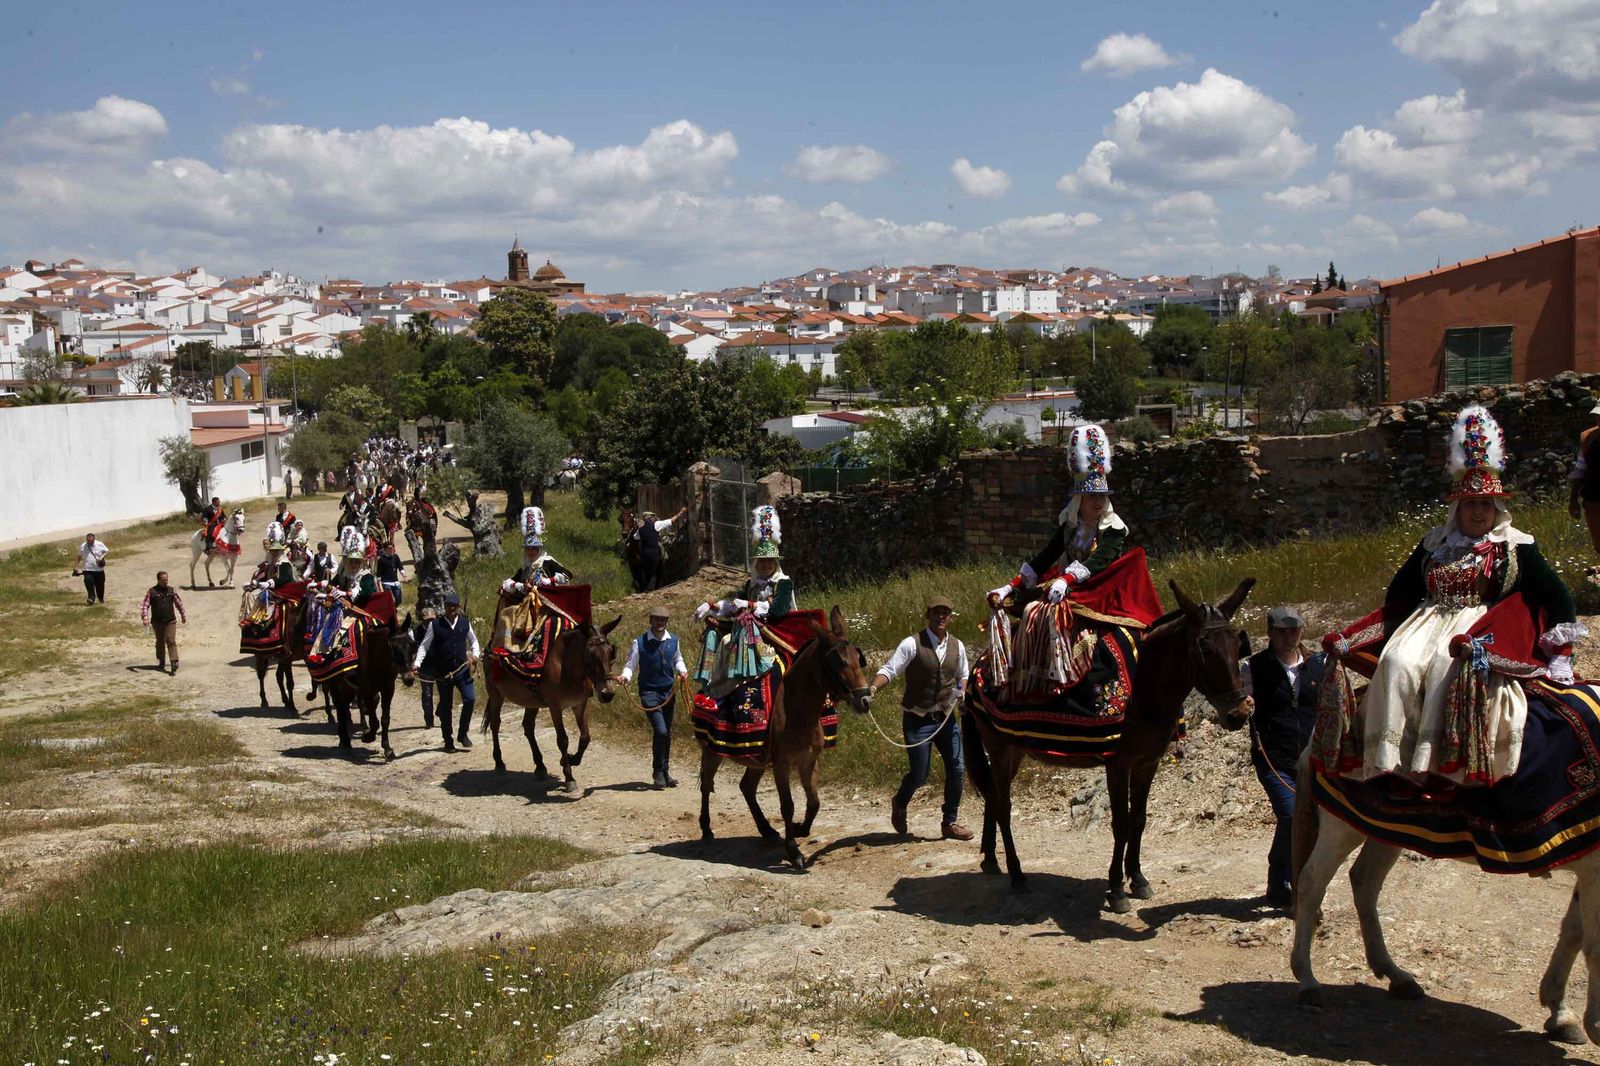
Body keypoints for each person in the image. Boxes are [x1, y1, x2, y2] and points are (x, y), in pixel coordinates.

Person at [1330, 405, 1579, 785]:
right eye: (1471, 504)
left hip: (1477, 625)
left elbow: (1556, 594)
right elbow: (1400, 592)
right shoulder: (1434, 544)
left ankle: (1441, 766)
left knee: (1445, 670)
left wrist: (1562, 650)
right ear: (1457, 508)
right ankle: (1391, 760)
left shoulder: (1515, 546)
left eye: (1485, 505)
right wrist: (1365, 634)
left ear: (1496, 508)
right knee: (1397, 663)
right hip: (1426, 620)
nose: (1478, 512)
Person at [986, 424, 1130, 698]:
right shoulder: (1070, 527)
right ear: (1079, 499)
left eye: (1102, 496)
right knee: (1031, 611)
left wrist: (1066, 579)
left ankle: (1065, 678)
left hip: (1102, 591)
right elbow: (1045, 557)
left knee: (1051, 615)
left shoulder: (1113, 528)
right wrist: (1010, 586)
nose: (1098, 503)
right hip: (1071, 589)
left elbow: (1101, 560)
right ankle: (1029, 682)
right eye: (1092, 496)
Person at [870, 597, 974, 841]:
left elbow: (963, 674)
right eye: (936, 612)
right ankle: (900, 802)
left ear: (950, 617)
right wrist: (872, 689)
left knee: (957, 767)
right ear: (928, 615)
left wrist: (960, 691)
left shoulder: (957, 646)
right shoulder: (911, 644)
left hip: (945, 718)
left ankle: (949, 822)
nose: (941, 617)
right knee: (919, 774)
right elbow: (890, 669)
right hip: (917, 719)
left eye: (945, 613)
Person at [1241, 606, 1324, 909]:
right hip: (1273, 758)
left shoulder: (1317, 664)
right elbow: (1241, 704)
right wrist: (1245, 705)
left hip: (1312, 758)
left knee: (1310, 821)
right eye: (1283, 631)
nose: (1290, 636)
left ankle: (1293, 883)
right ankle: (1283, 880)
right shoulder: (1252, 667)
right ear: (1270, 634)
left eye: (1295, 630)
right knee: (1290, 815)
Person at [694, 506, 796, 695]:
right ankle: (709, 683)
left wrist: (751, 605)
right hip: (749, 629)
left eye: (770, 561)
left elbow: (778, 610)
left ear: (775, 562)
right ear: (756, 563)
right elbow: (735, 605)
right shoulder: (752, 584)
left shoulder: (783, 583)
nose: (766, 565)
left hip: (773, 633)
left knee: (729, 640)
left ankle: (735, 682)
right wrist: (712, 606)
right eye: (762, 561)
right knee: (712, 633)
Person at [614, 605, 691, 788]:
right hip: (649, 692)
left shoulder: (673, 640)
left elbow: (678, 659)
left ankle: (665, 772)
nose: (660, 623)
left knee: (667, 733)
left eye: (663, 620)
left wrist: (682, 670)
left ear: (667, 622)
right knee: (661, 731)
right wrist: (625, 677)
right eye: (657, 619)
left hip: (668, 692)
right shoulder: (639, 642)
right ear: (650, 620)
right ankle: (657, 771)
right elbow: (631, 665)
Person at [410, 591, 481, 751]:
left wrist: (475, 654)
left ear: (458, 607)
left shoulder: (465, 623)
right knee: (446, 707)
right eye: (449, 605)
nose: (451, 609)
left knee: (470, 699)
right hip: (443, 673)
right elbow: (424, 646)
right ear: (445, 606)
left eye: (454, 606)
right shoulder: (435, 625)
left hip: (462, 670)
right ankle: (448, 740)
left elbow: (474, 641)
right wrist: (417, 664)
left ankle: (462, 733)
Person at [500, 506, 573, 598]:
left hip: (548, 598)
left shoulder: (547, 562)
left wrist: (551, 580)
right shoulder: (526, 567)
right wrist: (517, 585)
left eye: (533, 548)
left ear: (539, 549)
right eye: (527, 549)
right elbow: (511, 581)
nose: (530, 552)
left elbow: (568, 574)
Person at [139, 570, 187, 674]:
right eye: (164, 580)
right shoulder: (152, 592)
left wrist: (183, 614)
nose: (166, 582)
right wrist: (145, 617)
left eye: (167, 580)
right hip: (157, 621)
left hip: (170, 620)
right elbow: (145, 605)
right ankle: (161, 660)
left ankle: (174, 661)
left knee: (171, 640)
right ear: (158, 580)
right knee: (160, 641)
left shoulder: (171, 590)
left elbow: (179, 603)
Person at [1569, 400, 1600, 556]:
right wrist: (1573, 499)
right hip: (1594, 500)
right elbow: (1580, 469)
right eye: (1598, 416)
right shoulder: (1588, 438)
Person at [635, 506, 688, 592]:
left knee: (646, 571)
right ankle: (650, 589)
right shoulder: (656, 525)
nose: (655, 519)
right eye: (653, 517)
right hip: (654, 553)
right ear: (650, 518)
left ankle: (645, 588)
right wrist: (681, 513)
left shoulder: (640, 530)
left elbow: (635, 537)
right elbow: (671, 521)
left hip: (644, 554)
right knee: (655, 571)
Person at [75, 533, 109, 605]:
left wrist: (101, 557)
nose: (90, 542)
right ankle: (91, 598)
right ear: (86, 539)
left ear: (94, 539)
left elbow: (107, 551)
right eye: (88, 541)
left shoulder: (100, 544)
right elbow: (79, 556)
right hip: (87, 569)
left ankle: (101, 599)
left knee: (100, 585)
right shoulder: (83, 546)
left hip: (98, 570)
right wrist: (76, 566)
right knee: (88, 583)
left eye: (91, 541)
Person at [375, 540, 405, 606]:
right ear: (385, 549)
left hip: (396, 582)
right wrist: (379, 584)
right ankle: (391, 610)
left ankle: (394, 609)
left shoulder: (396, 557)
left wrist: (403, 574)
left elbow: (400, 566)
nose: (392, 549)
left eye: (392, 547)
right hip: (386, 583)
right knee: (390, 599)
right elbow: (379, 572)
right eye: (389, 548)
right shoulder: (381, 559)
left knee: (398, 600)